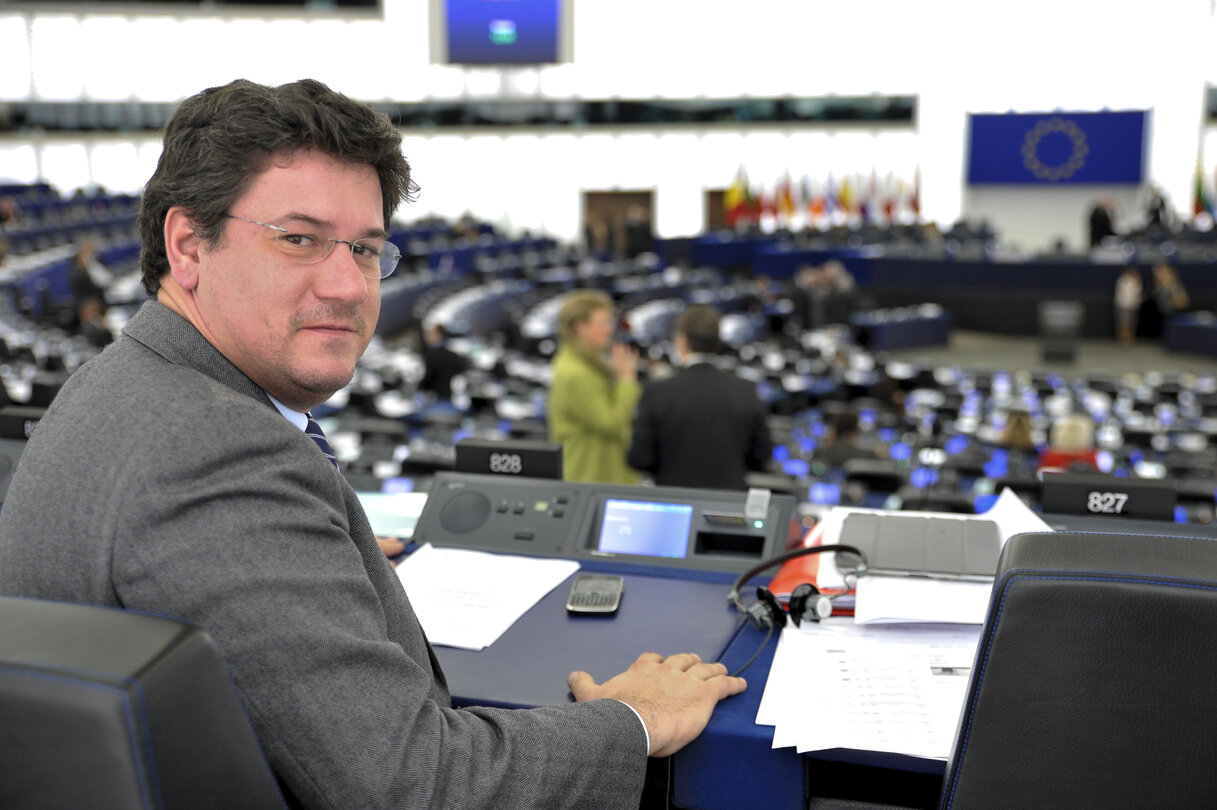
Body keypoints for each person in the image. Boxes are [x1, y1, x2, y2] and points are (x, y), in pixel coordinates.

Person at [0, 79, 745, 810]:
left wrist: (320, 551)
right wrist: (633, 718)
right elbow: (418, 786)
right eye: (300, 240)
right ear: (189, 245)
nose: (350, 286)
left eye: (364, 248)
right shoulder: (215, 453)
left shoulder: (117, 387)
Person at [627, 304, 772, 490]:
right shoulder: (746, 390)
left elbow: (640, 458)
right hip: (729, 504)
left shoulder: (658, 392)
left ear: (682, 341)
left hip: (674, 503)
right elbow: (762, 456)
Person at [547, 289, 643, 484]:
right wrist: (626, 380)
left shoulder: (589, 363)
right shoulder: (575, 373)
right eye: (603, 323)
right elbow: (610, 422)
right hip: (589, 480)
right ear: (579, 327)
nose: (609, 329)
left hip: (604, 475)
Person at [418, 321, 469, 401]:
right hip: (450, 399)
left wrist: (419, 387)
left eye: (430, 334)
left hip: (435, 399)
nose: (427, 337)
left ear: (438, 335)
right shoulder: (453, 355)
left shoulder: (432, 356)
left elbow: (428, 378)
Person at [1113, 266, 1142, 345]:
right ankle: (1122, 338)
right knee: (1123, 322)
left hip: (1133, 305)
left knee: (1131, 322)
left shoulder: (1137, 281)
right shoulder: (1122, 280)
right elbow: (1123, 294)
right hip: (1123, 305)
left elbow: (1138, 293)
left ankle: (1129, 338)